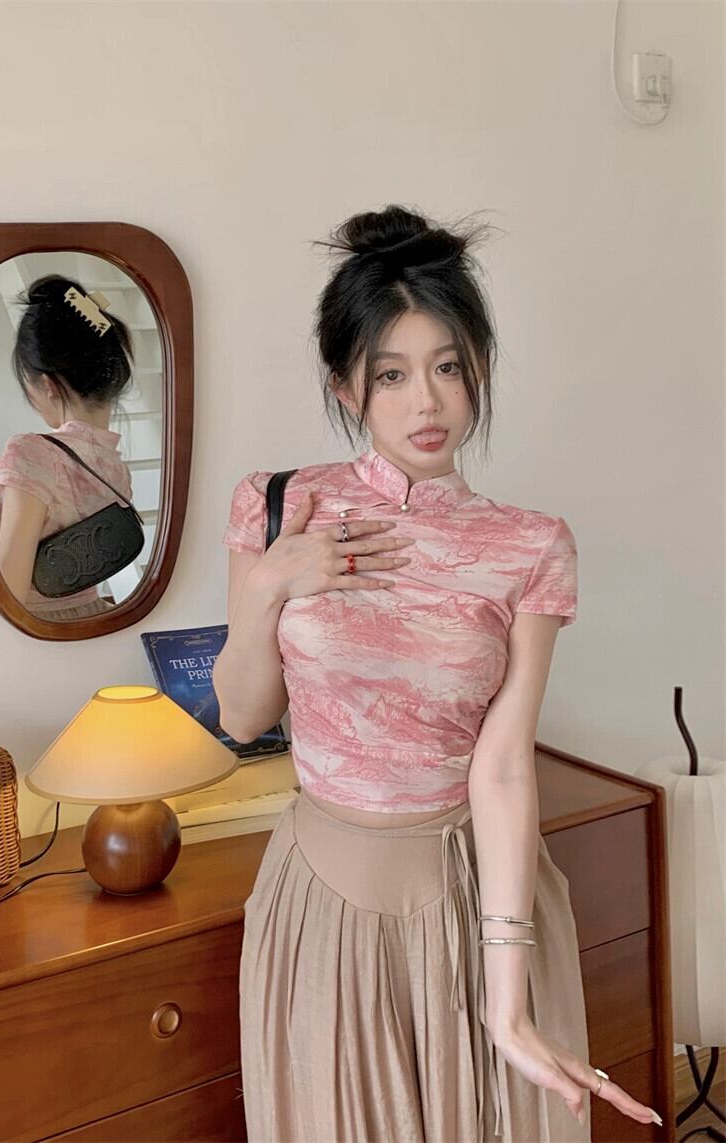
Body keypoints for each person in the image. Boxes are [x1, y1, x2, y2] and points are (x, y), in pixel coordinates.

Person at [213, 205, 662, 1141]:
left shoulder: (530, 546)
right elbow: (245, 715)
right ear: (346, 385)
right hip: (320, 899)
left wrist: (507, 1001)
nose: (426, 402)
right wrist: (269, 584)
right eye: (392, 374)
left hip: (470, 898)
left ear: (479, 369)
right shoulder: (278, 506)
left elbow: (502, 768)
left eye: (448, 367)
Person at [0, 274, 135, 621]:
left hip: (37, 632)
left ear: (48, 385)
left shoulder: (30, 453)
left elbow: (9, 595)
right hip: (93, 620)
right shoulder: (116, 467)